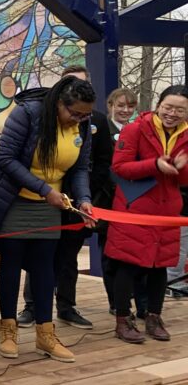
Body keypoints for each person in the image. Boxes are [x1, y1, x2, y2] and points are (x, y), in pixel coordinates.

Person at [0, 75, 95, 362]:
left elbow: (79, 168)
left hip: (51, 204)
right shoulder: (28, 113)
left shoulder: (83, 125)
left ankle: (45, 334)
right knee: (12, 262)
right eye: (74, 113)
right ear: (59, 104)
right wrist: (42, 189)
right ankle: (8, 331)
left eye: (85, 115)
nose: (78, 120)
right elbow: (6, 159)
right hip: (14, 198)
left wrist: (84, 199)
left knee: (44, 266)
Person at [16, 66, 114, 330]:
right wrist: (48, 190)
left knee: (69, 256)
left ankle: (67, 306)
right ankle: (32, 306)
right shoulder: (38, 116)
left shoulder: (96, 122)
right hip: (42, 196)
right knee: (38, 253)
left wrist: (84, 197)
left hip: (76, 202)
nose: (79, 117)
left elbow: (100, 163)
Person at [105, 85, 188, 344]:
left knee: (160, 265)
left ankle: (153, 316)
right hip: (135, 208)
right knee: (127, 264)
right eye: (168, 107)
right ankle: (122, 319)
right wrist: (154, 165)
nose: (172, 113)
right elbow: (119, 168)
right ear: (158, 105)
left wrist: (179, 168)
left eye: (180, 110)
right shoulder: (135, 129)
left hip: (167, 210)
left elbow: (183, 181)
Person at [106, 88, 148, 316]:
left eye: (130, 106)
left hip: (135, 199)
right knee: (112, 257)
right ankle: (116, 303)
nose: (125, 110)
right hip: (110, 199)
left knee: (138, 255)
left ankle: (144, 305)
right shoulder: (103, 129)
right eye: (120, 105)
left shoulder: (139, 131)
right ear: (111, 105)